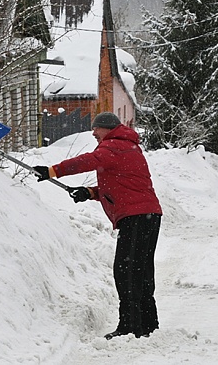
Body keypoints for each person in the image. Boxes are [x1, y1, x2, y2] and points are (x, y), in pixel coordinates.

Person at [33, 112, 163, 340]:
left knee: (126, 272)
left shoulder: (113, 145)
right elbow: (121, 183)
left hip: (136, 216)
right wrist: (90, 192)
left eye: (96, 129)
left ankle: (130, 327)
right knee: (140, 270)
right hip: (147, 214)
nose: (93, 133)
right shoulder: (127, 147)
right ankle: (147, 324)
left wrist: (52, 171)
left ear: (107, 128)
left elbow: (87, 161)